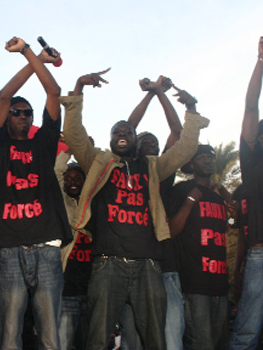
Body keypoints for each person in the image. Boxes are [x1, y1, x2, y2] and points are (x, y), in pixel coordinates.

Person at [60, 70, 209, 350]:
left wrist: (191, 108)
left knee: (155, 339)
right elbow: (74, 134)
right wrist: (78, 87)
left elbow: (185, 148)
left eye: (127, 131)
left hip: (148, 265)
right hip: (107, 265)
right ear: (111, 138)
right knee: (97, 339)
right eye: (117, 132)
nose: (122, 135)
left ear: (135, 138)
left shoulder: (152, 167)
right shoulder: (100, 163)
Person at [0, 37, 72, 349]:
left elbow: (53, 92)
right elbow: (2, 95)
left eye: (28, 113)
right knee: (10, 335)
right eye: (16, 113)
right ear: (6, 118)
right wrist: (32, 56)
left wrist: (30, 53)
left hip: (47, 247)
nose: (23, 116)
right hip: (8, 249)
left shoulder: (44, 144)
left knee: (50, 336)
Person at [121, 76, 185, 350]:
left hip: (164, 266)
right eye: (145, 142)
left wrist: (160, 93)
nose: (152, 145)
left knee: (171, 339)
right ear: (133, 146)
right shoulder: (124, 170)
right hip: (129, 266)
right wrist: (148, 95)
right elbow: (127, 127)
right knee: (133, 341)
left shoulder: (162, 172)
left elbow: (178, 132)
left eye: (155, 144)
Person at [168, 145, 231, 349]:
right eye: (202, 157)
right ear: (191, 163)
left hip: (221, 285)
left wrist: (224, 192)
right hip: (194, 284)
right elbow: (171, 231)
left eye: (211, 157)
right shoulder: (182, 190)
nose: (208, 161)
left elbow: (231, 225)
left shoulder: (217, 198)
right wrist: (190, 202)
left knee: (220, 343)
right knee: (201, 344)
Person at [229, 33, 263, 349]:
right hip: (261, 253)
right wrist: (261, 61)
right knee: (248, 330)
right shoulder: (254, 162)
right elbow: (251, 106)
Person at [55, 145, 92, 350]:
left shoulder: (92, 203)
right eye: (68, 179)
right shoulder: (62, 202)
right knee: (63, 344)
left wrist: (89, 151)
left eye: (78, 178)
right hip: (67, 290)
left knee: (90, 344)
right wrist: (71, 149)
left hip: (93, 289)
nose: (72, 182)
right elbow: (56, 172)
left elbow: (98, 174)